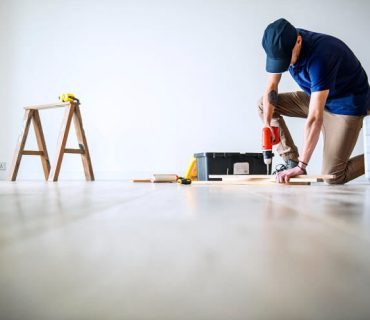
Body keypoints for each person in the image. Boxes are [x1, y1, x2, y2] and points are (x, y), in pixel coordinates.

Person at [258, 18, 370, 184]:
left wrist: (302, 166)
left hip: (345, 106)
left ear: (298, 41)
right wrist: (267, 123)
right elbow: (272, 86)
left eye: (287, 59)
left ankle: (297, 166)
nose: (285, 65)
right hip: (317, 96)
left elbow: (315, 118)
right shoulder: (283, 44)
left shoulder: (321, 56)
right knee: (264, 104)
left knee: (333, 176)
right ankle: (291, 161)